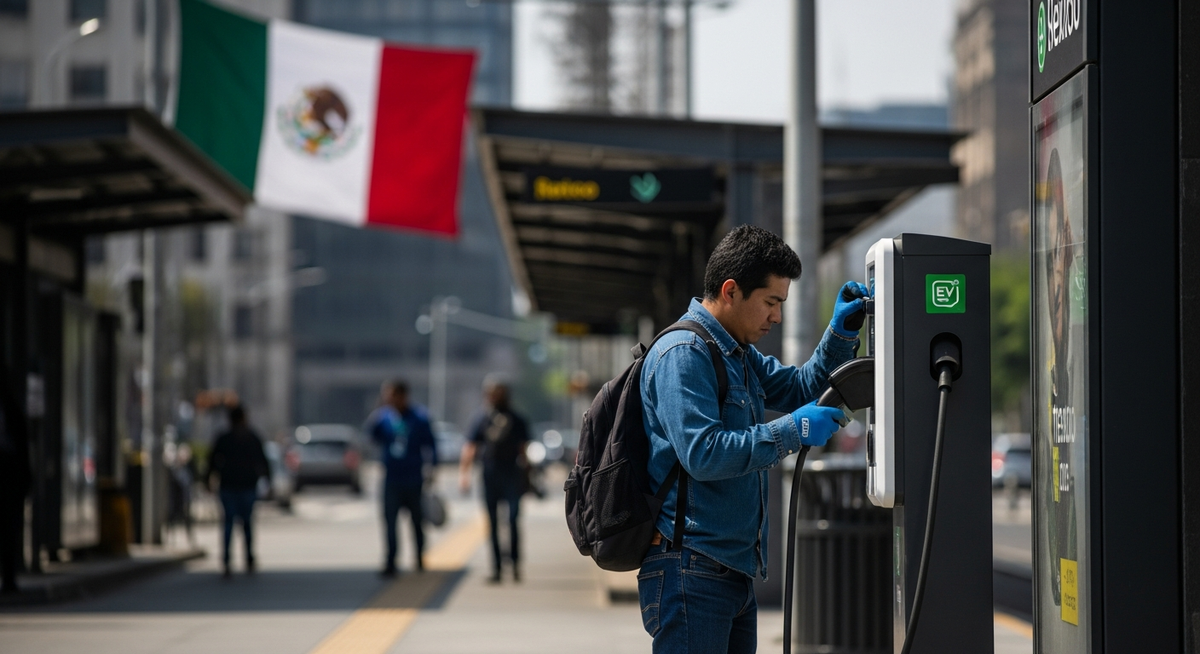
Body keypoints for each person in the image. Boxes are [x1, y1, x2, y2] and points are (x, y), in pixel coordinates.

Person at [637, 224, 867, 653]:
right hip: (691, 571)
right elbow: (703, 453)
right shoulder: (684, 354)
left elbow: (799, 388)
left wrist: (841, 334)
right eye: (770, 302)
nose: (776, 316)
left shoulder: (737, 354)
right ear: (730, 290)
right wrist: (793, 430)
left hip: (730, 573)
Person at [459, 378, 530, 583]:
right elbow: (470, 446)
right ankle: (497, 567)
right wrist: (464, 475)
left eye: (499, 392)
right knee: (492, 523)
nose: (495, 396)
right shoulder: (481, 418)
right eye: (492, 392)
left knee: (513, 520)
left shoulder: (517, 419)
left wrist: (527, 475)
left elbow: (524, 449)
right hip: (489, 475)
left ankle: (515, 564)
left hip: (512, 474)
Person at [366, 380, 437, 578]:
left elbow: (431, 445)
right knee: (390, 522)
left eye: (391, 395)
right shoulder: (383, 418)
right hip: (391, 479)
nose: (388, 399)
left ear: (403, 396)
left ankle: (420, 558)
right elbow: (370, 436)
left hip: (413, 478)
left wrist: (432, 469)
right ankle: (391, 561)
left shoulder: (420, 418)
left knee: (417, 521)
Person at [206, 405, 269, 579]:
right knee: (244, 524)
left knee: (229, 524)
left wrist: (208, 480)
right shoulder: (250, 437)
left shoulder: (226, 438)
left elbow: (212, 462)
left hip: (231, 486)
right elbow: (263, 462)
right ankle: (245, 558)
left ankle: (229, 560)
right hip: (243, 487)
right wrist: (266, 480)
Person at [0, 371, 30, 595]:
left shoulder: (11, 409)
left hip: (9, 478)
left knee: (8, 532)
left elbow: (23, 448)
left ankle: (9, 578)